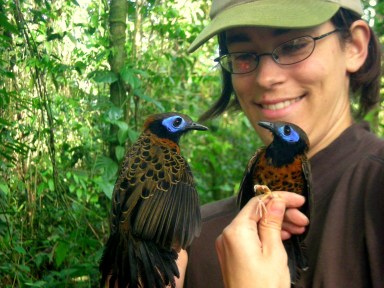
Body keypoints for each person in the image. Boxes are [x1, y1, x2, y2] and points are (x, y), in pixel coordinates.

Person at [180, 0, 384, 287]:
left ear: (355, 47)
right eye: (243, 55)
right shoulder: (191, 243)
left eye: (294, 45)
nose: (266, 78)